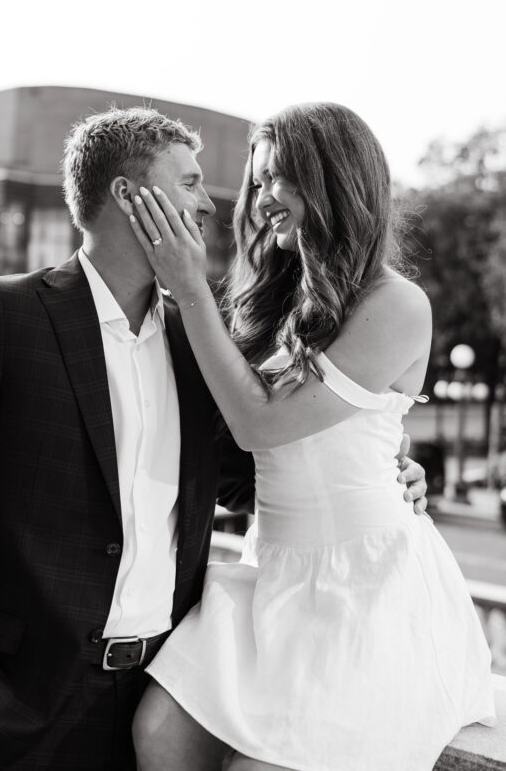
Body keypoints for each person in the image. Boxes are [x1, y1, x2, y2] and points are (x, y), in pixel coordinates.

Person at [0, 105, 427, 771]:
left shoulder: (199, 346)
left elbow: (252, 473)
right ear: (129, 196)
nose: (211, 206)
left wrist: (390, 471)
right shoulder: (1, 315)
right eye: (188, 183)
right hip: (13, 701)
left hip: (154, 695)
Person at [129, 102, 495, 771]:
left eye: (281, 178)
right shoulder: (274, 297)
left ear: (335, 181)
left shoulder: (396, 303)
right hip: (270, 570)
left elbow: (260, 423)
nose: (264, 197)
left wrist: (188, 291)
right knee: (158, 735)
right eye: (259, 180)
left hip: (364, 582)